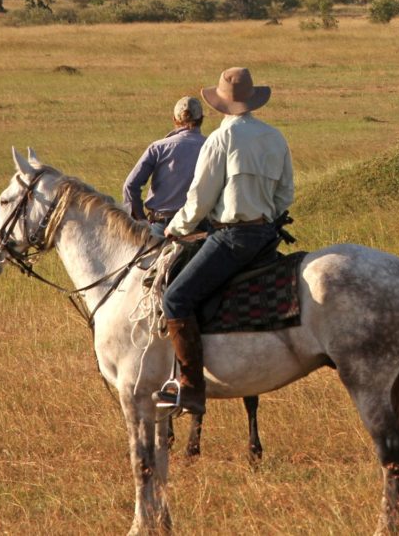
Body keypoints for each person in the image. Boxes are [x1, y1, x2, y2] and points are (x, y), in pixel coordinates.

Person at [156, 67, 295, 414]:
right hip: (265, 235)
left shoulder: (221, 139)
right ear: (253, 100)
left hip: (232, 237)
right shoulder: (275, 137)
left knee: (175, 298)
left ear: (219, 104)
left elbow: (201, 198)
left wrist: (176, 227)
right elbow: (285, 194)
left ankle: (189, 388)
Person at [122, 96, 206, 238]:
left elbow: (130, 186)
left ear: (174, 119)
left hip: (162, 225)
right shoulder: (212, 146)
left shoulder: (158, 147)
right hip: (200, 224)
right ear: (201, 119)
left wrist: (142, 220)